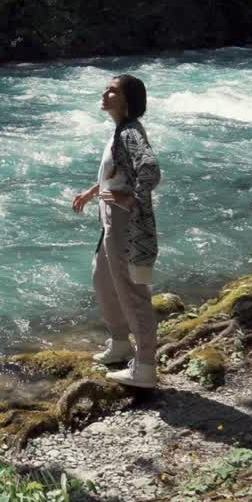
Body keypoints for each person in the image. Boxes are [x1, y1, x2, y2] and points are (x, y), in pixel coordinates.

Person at [71, 74, 161, 388]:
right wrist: (92, 192)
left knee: (132, 292)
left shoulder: (130, 133)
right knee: (102, 280)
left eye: (113, 90)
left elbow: (149, 169)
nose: (105, 93)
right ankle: (121, 343)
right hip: (110, 219)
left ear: (126, 100)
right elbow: (118, 172)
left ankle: (146, 366)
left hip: (126, 222)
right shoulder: (120, 131)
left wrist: (130, 198)